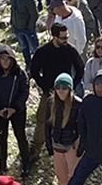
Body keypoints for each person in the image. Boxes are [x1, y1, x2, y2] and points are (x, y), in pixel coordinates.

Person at [30, 22, 85, 156]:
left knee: (70, 119)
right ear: (54, 37)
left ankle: (70, 148)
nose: (66, 40)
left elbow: (80, 67)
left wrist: (72, 85)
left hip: (67, 93)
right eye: (63, 38)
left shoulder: (69, 50)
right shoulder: (43, 52)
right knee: (43, 120)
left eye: (67, 37)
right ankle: (36, 150)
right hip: (49, 92)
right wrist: (44, 86)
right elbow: (34, 70)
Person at [0, 46, 31, 176]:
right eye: (2, 59)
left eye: (7, 59)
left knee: (21, 136)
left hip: (17, 111)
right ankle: (2, 164)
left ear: (12, 60)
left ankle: (26, 163)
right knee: (1, 138)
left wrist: (15, 108)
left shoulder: (20, 74)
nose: (5, 62)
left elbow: (24, 92)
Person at [45, 73, 82, 185]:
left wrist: (80, 146)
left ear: (70, 89)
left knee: (74, 175)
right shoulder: (51, 102)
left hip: (72, 145)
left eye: (64, 88)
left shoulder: (78, 104)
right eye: (58, 87)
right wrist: (48, 144)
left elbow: (81, 127)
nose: (61, 91)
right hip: (56, 144)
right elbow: (47, 125)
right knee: (61, 177)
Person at [8, 0, 40, 70]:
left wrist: (30, 26)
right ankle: (28, 65)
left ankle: (39, 64)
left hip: (27, 28)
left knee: (34, 48)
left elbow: (34, 14)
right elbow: (12, 10)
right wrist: (12, 20)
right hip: (17, 27)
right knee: (23, 48)